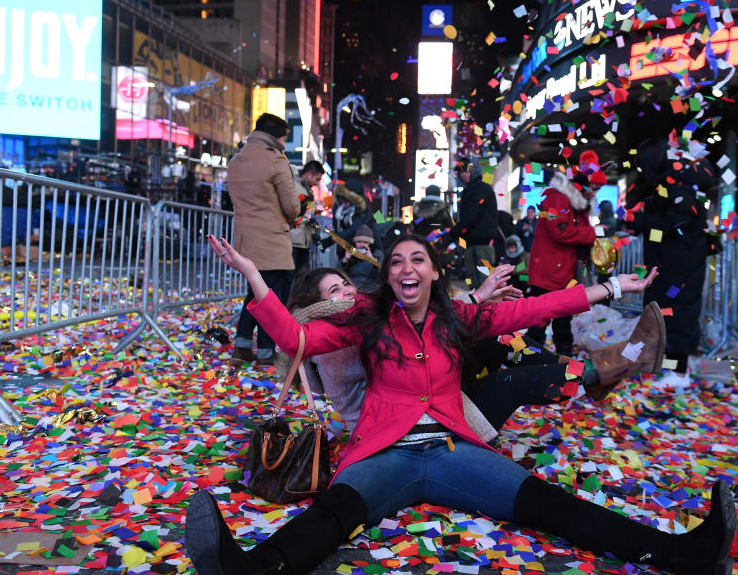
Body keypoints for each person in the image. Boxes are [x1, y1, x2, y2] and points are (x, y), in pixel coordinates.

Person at [192, 233, 738, 575]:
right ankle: (245, 571)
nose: (406, 268)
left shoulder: (461, 319)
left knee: (549, 504)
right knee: (334, 515)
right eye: (396, 262)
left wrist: (612, 288)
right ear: (387, 278)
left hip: (455, 450)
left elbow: (533, 308)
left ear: (433, 273)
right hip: (386, 452)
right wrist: (255, 280)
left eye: (417, 260)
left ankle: (689, 554)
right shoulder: (367, 320)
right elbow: (294, 336)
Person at [286, 264, 664, 435]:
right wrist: (477, 299)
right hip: (398, 431)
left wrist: (612, 286)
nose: (348, 293)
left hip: (422, 398)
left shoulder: (360, 316)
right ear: (315, 306)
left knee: (499, 340)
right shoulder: (333, 337)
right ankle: (609, 368)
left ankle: (594, 374)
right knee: (507, 383)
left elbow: (425, 318)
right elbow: (413, 323)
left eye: (346, 284)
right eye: (335, 291)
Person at [625, 132, 719, 388]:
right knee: (666, 313)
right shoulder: (673, 179)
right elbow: (666, 226)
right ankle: (670, 369)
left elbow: (676, 222)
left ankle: (678, 374)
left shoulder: (679, 181)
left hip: (681, 263)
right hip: (672, 260)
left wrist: (641, 222)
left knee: (678, 316)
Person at [227, 112, 300, 365]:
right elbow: (291, 207)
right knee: (271, 297)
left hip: (245, 241)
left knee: (255, 293)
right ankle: (266, 351)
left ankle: (242, 345)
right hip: (271, 240)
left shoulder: (237, 160)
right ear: (277, 136)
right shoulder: (275, 160)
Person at [526, 164, 597, 357]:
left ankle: (564, 362)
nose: (594, 193)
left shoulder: (577, 204)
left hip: (564, 272)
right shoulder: (558, 199)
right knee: (539, 320)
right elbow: (561, 231)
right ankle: (528, 361)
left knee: (563, 321)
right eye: (593, 189)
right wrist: (593, 233)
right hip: (549, 272)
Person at [450, 157, 498, 289]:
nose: (464, 174)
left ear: (475, 170)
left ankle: (488, 310)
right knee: (477, 287)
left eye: (467, 171)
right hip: (474, 245)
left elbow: (471, 216)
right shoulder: (473, 190)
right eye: (461, 172)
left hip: (480, 246)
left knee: (483, 287)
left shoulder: (480, 189)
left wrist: (453, 233)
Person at [289, 160, 323, 274]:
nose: (317, 183)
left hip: (303, 239)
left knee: (301, 274)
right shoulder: (294, 186)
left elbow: (309, 215)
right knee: (292, 275)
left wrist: (313, 233)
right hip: (294, 238)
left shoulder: (309, 191)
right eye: (317, 179)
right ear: (308, 174)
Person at [342, 225, 378, 293]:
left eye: (365, 242)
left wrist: (373, 260)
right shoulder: (349, 255)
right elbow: (339, 274)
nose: (362, 245)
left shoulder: (377, 255)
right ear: (355, 243)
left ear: (370, 244)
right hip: (352, 291)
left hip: (369, 291)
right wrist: (345, 260)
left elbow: (381, 276)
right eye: (359, 242)